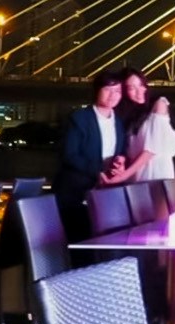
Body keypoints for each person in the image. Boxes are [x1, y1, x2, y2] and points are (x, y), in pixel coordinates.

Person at [52, 70, 127, 242]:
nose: (113, 95)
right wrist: (97, 171)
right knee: (77, 244)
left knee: (100, 244)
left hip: (103, 194)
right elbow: (69, 154)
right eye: (108, 89)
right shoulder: (79, 118)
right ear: (97, 91)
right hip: (75, 193)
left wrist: (120, 161)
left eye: (117, 91)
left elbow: (120, 151)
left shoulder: (118, 122)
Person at [109, 68, 175, 184]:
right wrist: (121, 161)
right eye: (132, 88)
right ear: (124, 92)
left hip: (156, 174)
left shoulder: (159, 104)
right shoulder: (130, 117)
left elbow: (151, 150)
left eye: (141, 85)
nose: (139, 91)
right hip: (135, 176)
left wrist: (123, 176)